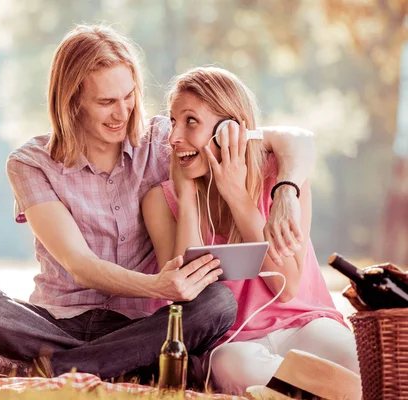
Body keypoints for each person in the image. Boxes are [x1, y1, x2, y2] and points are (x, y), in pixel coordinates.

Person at [0, 24, 317, 387]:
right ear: (72, 102)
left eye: (128, 96)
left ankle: (39, 368)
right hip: (54, 321)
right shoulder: (31, 162)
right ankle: (113, 366)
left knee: (216, 303)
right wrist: (155, 285)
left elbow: (293, 139)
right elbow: (79, 265)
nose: (122, 114)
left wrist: (285, 190)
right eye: (106, 102)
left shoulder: (165, 139)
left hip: (138, 327)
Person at [142, 65, 359, 395]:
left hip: (302, 323)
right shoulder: (160, 200)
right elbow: (189, 299)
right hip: (231, 344)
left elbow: (285, 287)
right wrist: (186, 198)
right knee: (235, 365)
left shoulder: (279, 178)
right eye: (173, 121)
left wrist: (237, 197)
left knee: (359, 359)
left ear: (229, 129)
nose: (174, 137)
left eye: (190, 121)